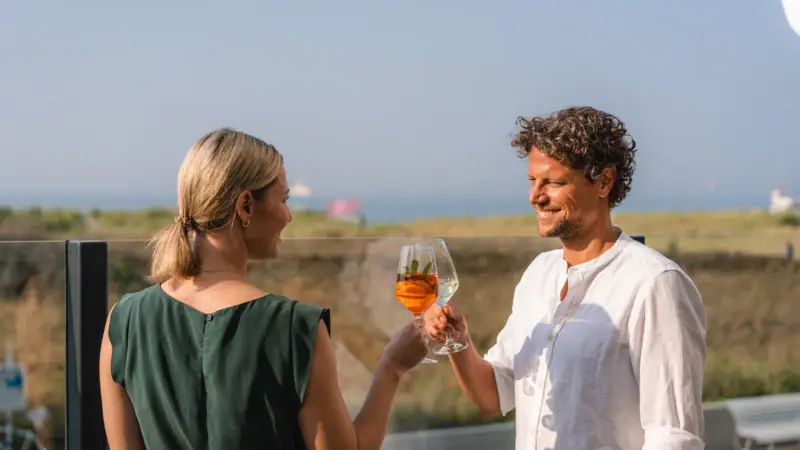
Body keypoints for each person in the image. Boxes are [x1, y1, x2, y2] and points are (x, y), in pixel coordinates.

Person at [98, 128, 428, 450]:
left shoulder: (124, 321)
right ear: (245, 206)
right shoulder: (295, 328)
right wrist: (392, 367)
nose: (288, 215)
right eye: (283, 199)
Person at [425, 107, 707, 449]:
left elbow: (674, 435)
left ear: (604, 181)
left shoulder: (655, 283)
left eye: (554, 182)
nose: (535, 197)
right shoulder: (538, 274)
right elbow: (493, 397)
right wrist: (459, 341)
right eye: (532, 181)